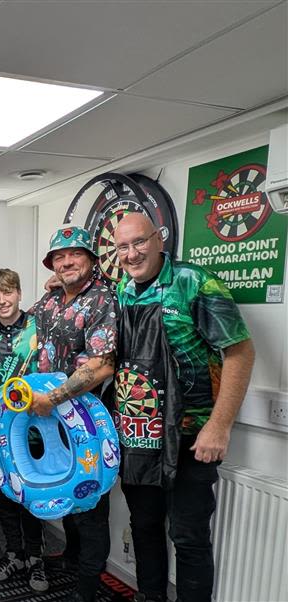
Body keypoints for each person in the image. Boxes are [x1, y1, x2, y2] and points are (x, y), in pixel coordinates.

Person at [112, 213, 255, 602]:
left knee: (188, 535)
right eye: (123, 246)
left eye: (139, 242)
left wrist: (219, 426)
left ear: (159, 239)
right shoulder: (123, 289)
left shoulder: (194, 281)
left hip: (193, 435)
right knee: (144, 525)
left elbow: (240, 353)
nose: (131, 254)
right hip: (141, 435)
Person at [29, 225, 119, 602]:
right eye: (59, 257)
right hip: (52, 421)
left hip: (86, 421)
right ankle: (71, 558)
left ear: (92, 259)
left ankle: (87, 588)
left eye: (75, 254)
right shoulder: (51, 300)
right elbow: (19, 321)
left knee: (89, 502)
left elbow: (102, 364)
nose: (67, 262)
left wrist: (54, 398)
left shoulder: (102, 298)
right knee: (66, 490)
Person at [0, 268, 48, 591]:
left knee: (30, 494)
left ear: (19, 293)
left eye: (8, 292)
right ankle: (14, 554)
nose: (2, 300)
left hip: (34, 427)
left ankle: (36, 558)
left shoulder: (39, 324)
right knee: (4, 492)